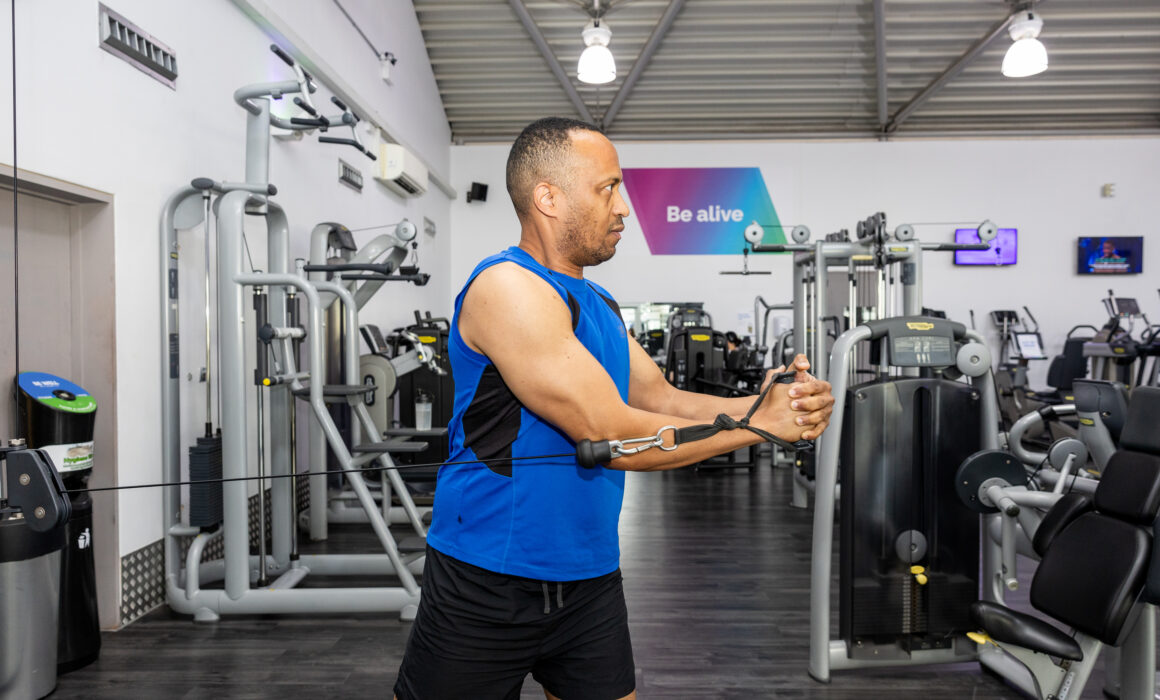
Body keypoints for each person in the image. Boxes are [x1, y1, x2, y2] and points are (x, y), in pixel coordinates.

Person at [392, 116, 834, 700]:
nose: (624, 207)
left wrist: (772, 399)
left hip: (589, 573)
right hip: (488, 577)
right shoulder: (508, 287)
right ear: (548, 197)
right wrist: (760, 427)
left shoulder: (596, 299)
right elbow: (609, 429)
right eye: (608, 188)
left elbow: (660, 398)